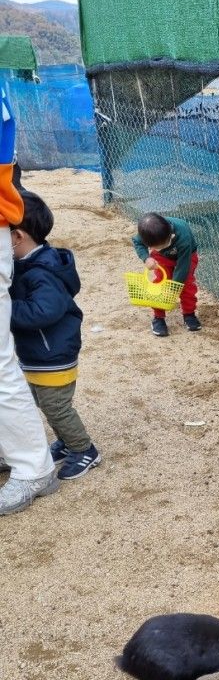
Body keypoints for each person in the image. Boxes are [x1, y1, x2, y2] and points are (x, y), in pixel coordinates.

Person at [8, 191, 100, 482]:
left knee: (57, 406)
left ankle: (84, 449)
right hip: (37, 353)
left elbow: (42, 312)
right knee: (43, 401)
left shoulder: (42, 272)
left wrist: (5, 307)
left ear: (17, 237)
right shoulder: (27, 264)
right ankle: (65, 441)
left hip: (53, 354)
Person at [0, 86, 59, 516]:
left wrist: (16, 313)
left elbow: (50, 308)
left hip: (55, 362)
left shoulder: (46, 273)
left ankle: (34, 464)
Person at [132, 213, 200, 337]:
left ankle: (189, 314)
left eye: (161, 246)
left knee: (186, 285)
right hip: (162, 258)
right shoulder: (148, 233)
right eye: (153, 247)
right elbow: (137, 243)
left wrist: (173, 288)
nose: (155, 248)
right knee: (160, 283)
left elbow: (183, 267)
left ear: (171, 236)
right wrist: (146, 258)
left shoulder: (183, 235)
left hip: (187, 256)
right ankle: (158, 317)